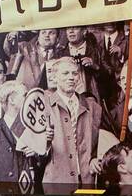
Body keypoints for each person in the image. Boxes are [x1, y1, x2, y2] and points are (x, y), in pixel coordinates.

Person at [42, 55, 102, 188]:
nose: (71, 77)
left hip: (87, 180)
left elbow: (102, 142)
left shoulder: (93, 107)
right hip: (57, 182)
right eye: (65, 73)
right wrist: (43, 141)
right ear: (54, 77)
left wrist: (95, 158)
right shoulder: (44, 106)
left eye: (75, 73)